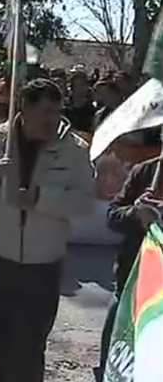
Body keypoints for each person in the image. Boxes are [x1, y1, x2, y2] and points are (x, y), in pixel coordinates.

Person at [0, 78, 95, 382]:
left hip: (42, 268)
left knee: (31, 348)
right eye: (46, 111)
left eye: (57, 111)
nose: (53, 119)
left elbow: (85, 202)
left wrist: (42, 199)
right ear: (24, 108)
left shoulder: (74, 149)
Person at [94, 157, 163, 381]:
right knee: (116, 358)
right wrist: (135, 212)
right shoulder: (144, 171)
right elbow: (113, 216)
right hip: (131, 284)